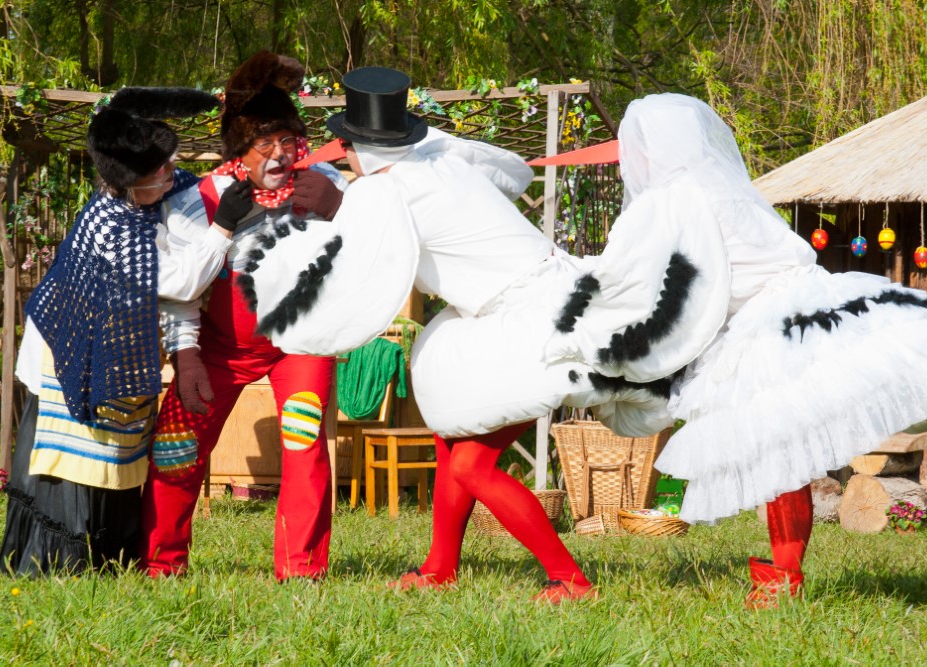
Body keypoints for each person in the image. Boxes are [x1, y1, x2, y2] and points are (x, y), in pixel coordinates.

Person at [240, 67, 731, 603]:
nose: (342, 154)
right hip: (542, 294)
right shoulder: (439, 158)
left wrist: (335, 211)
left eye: (347, 144)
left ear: (365, 147)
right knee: (452, 440)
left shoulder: (385, 192)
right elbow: (510, 173)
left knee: (472, 463)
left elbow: (368, 281)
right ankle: (439, 566)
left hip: (531, 318)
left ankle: (570, 579)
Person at [615, 94, 927, 608]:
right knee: (783, 459)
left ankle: (784, 577)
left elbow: (664, 287)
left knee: (780, 458)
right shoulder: (725, 187)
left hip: (775, 326)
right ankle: (783, 574)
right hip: (813, 299)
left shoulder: (673, 201)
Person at [0, 87, 232, 576]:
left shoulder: (152, 200)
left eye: (169, 162)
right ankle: (57, 565)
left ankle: (109, 561)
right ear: (128, 183)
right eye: (159, 169)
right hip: (72, 359)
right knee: (74, 468)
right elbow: (181, 280)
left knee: (116, 462)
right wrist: (223, 229)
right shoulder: (112, 226)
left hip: (118, 358)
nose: (171, 171)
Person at [140, 51, 347, 582]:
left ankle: (301, 570)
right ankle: (162, 563)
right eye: (265, 144)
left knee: (303, 449)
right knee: (176, 447)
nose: (281, 155)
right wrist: (185, 357)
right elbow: (182, 289)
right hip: (217, 350)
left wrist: (345, 207)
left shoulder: (323, 180)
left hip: (300, 345)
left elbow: (380, 239)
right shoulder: (199, 197)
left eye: (288, 141)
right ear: (240, 148)